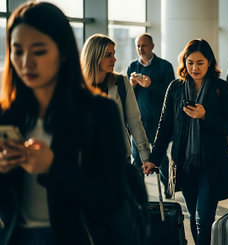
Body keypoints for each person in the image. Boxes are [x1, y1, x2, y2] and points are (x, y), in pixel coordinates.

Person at [0, 2, 130, 244]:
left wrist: (53, 167)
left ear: (62, 51)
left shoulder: (99, 112)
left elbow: (113, 200)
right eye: (17, 51)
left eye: (38, 51)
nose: (26, 62)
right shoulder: (7, 114)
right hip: (18, 237)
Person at [142, 39, 228, 245]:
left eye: (200, 63)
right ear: (184, 62)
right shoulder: (175, 88)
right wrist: (154, 158)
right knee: (193, 215)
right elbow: (165, 125)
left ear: (209, 62)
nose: (194, 67)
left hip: (212, 162)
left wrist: (205, 116)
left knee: (204, 214)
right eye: (190, 62)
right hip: (184, 162)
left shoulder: (221, 88)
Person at [80, 34, 151, 166]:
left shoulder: (122, 83)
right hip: (87, 159)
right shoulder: (78, 87)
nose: (114, 59)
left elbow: (134, 121)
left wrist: (145, 155)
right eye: (108, 55)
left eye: (113, 54)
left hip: (118, 157)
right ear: (94, 56)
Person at [126, 33, 174, 195]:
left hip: (159, 121)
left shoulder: (164, 66)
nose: (140, 49)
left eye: (144, 45)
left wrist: (151, 85)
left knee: (160, 156)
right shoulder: (133, 67)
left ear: (152, 46)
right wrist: (132, 86)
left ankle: (168, 187)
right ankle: (137, 193)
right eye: (138, 46)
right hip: (139, 121)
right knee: (137, 158)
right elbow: (126, 95)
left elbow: (171, 93)